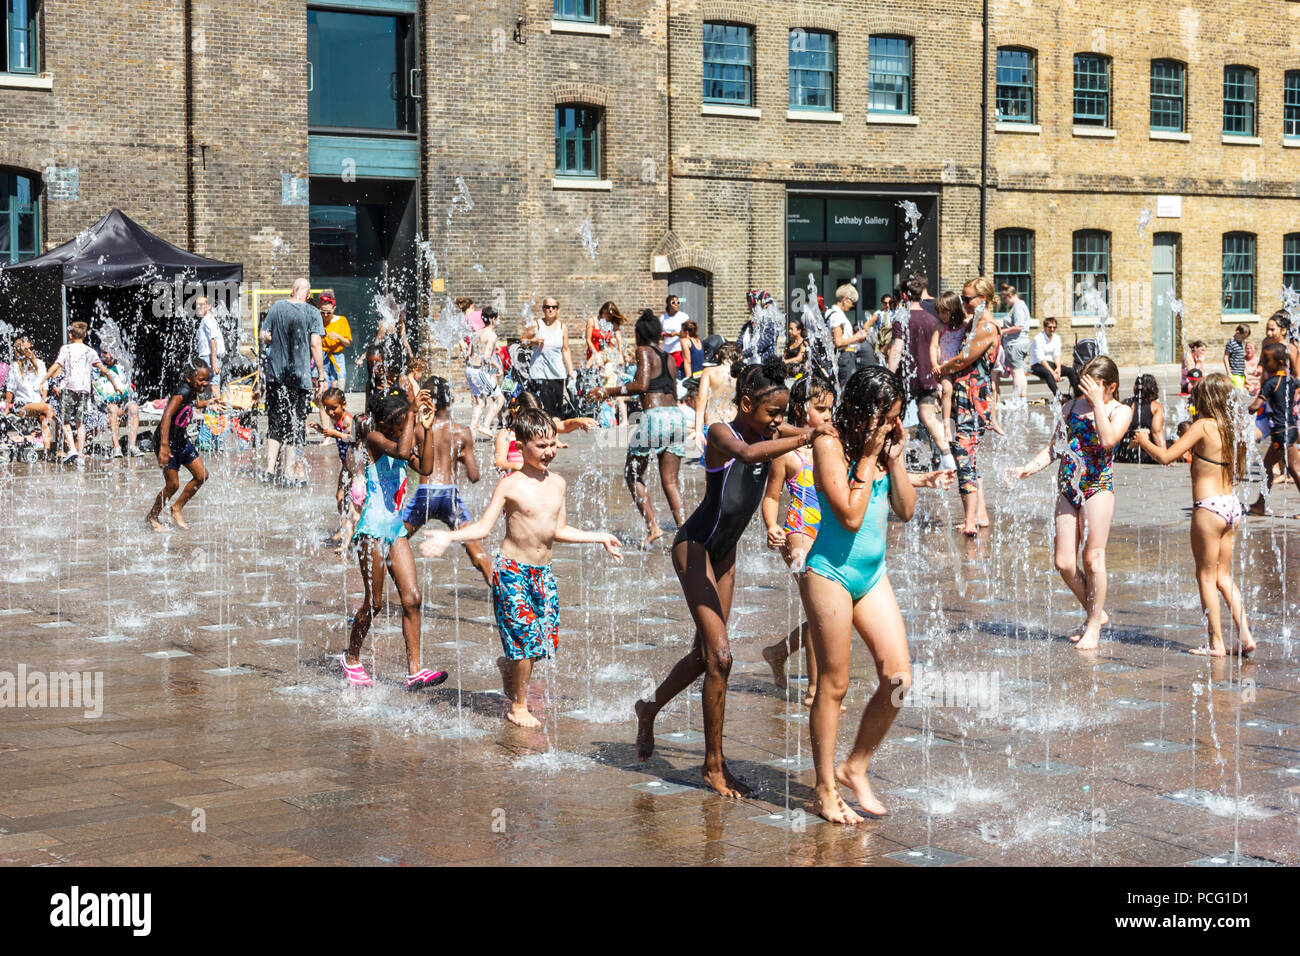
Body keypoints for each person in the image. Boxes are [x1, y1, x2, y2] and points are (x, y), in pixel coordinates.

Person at [633, 359, 830, 798]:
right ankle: (713, 766)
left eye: (783, 413)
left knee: (706, 656)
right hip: (695, 547)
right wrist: (805, 436)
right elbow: (747, 454)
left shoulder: (771, 433)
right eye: (772, 413)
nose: (779, 421)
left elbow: (794, 439)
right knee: (722, 656)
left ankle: (648, 708)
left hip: (725, 556)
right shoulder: (724, 433)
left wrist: (823, 434)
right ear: (745, 403)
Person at [800, 366, 951, 823]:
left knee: (900, 679)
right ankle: (827, 788)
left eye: (898, 416)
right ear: (866, 412)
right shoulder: (829, 445)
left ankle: (856, 765)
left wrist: (896, 458)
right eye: (888, 416)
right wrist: (866, 459)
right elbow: (847, 515)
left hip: (871, 574)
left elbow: (904, 510)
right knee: (835, 683)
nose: (893, 424)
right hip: (828, 573)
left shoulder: (885, 448)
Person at [420, 407, 622, 727]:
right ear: (522, 445)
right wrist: (450, 537)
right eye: (541, 446)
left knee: (544, 645)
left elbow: (559, 530)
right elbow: (484, 528)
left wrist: (600, 538)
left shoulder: (557, 483)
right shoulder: (510, 485)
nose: (549, 452)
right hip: (512, 571)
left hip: (543, 573)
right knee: (527, 639)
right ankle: (519, 706)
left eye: (552, 444)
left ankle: (508, 665)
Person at [1012, 355, 1132, 650]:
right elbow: (1055, 448)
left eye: (1095, 386)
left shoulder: (1120, 411)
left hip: (1097, 488)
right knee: (1064, 562)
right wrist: (1028, 467)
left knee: (1093, 559)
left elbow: (1107, 441)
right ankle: (1096, 611)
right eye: (1085, 385)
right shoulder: (1070, 408)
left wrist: (1099, 405)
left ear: (1111, 387)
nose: (1087, 391)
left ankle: (1093, 625)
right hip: (1068, 487)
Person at [1131, 373, 1255, 657]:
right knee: (1224, 577)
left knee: (1206, 577)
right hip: (1231, 506)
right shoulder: (1233, 426)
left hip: (1209, 508)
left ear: (1207, 398)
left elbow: (1166, 457)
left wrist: (1144, 439)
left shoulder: (1203, 426)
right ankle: (1245, 635)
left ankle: (1216, 644)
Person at [344, 387, 448, 690]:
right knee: (374, 603)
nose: (409, 430)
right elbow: (403, 452)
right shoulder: (375, 440)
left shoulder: (399, 440)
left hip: (395, 531)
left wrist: (427, 432)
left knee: (412, 599)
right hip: (372, 531)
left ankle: (415, 670)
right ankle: (351, 657)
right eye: (404, 425)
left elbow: (425, 467)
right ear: (388, 425)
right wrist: (413, 411)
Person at [761, 374, 835, 707]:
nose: (829, 416)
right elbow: (772, 496)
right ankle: (815, 692)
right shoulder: (788, 452)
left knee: (829, 613)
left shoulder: (832, 444)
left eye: (831, 409)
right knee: (819, 612)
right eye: (821, 409)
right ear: (802, 410)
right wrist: (770, 524)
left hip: (827, 531)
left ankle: (778, 652)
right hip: (798, 532)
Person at [587, 310, 689, 547]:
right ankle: (686, 533)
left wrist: (607, 392)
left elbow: (642, 385)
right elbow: (673, 392)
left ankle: (654, 528)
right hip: (676, 417)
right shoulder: (670, 358)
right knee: (671, 481)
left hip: (655, 418)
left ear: (639, 336)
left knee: (632, 474)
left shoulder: (644, 351)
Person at [402, 375, 493, 586]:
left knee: (395, 542)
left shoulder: (420, 428)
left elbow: (405, 454)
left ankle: (375, 591)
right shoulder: (462, 432)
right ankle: (500, 591)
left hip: (425, 493)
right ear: (450, 400)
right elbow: (474, 476)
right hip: (449, 494)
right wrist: (459, 456)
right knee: (476, 549)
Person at [933, 278, 1001, 535]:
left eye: (967, 298)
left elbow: (963, 360)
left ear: (982, 299)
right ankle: (978, 516)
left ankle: (971, 521)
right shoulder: (975, 323)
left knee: (963, 456)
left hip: (974, 399)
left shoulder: (986, 327)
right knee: (968, 457)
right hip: (966, 396)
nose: (962, 303)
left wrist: (941, 369)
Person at [259, 278, 325, 485]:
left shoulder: (277, 307)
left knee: (276, 422)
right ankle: (288, 473)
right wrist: (321, 375)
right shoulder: (313, 313)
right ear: (307, 294)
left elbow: (263, 335)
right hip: (300, 377)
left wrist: (272, 339)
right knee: (295, 425)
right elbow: (315, 345)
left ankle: (269, 471)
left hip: (276, 376)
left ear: (291, 290)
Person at [146, 358, 217, 531]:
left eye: (207, 379)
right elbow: (167, 415)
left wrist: (210, 402)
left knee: (202, 475)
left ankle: (177, 508)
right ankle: (152, 516)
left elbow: (194, 404)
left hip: (182, 440)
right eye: (201, 380)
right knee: (172, 485)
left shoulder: (193, 390)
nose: (205, 383)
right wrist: (163, 445)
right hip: (167, 442)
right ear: (188, 378)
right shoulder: (182, 392)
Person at [889, 272, 950, 467]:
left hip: (905, 378)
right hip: (928, 376)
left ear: (905, 296)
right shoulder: (932, 319)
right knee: (929, 417)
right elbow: (939, 351)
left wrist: (889, 375)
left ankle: (898, 462)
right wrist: (940, 377)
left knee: (897, 419)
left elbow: (897, 348)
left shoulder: (902, 317)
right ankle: (947, 457)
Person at [41, 321, 121, 463]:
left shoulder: (66, 349)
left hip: (68, 389)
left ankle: (72, 449)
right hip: (84, 391)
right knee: (81, 423)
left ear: (70, 335)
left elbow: (56, 366)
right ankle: (80, 454)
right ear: (84, 335)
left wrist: (43, 379)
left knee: (65, 421)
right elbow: (104, 370)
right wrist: (115, 385)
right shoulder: (90, 351)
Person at [1247, 342, 1300, 516]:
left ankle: (1260, 505)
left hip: (1280, 434)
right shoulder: (1290, 380)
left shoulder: (1271, 383)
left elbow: (1255, 406)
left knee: (1287, 468)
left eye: (1266, 360)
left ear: (1278, 362)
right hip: (1290, 429)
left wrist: (1242, 410)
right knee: (1272, 466)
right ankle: (1260, 504)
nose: (1263, 363)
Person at [493, 390, 594, 474]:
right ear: (515, 413)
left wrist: (579, 421)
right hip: (515, 483)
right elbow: (499, 463)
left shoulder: (541, 429)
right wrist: (520, 467)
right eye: (529, 418)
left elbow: (564, 425)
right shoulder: (506, 434)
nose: (534, 421)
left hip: (537, 479)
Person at [307, 386, 355, 548]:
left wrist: (337, 434)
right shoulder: (336, 418)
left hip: (355, 467)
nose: (330, 412)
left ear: (344, 404)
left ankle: (352, 531)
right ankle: (344, 526)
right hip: (346, 465)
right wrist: (321, 430)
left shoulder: (348, 419)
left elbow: (354, 438)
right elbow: (333, 432)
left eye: (333, 408)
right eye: (327, 409)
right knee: (340, 496)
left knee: (353, 499)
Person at [520, 296, 573, 417]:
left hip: (557, 374)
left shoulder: (562, 327)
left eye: (554, 307)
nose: (550, 310)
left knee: (556, 413)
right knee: (541, 412)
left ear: (558, 309)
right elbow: (522, 341)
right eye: (547, 307)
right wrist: (533, 341)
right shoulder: (537, 325)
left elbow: (565, 350)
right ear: (543, 309)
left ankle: (554, 435)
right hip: (539, 374)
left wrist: (570, 370)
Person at [1, 335, 55, 453]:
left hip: (38, 403)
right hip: (22, 405)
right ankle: (38, 433)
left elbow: (44, 386)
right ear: (19, 351)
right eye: (26, 350)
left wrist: (43, 400)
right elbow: (10, 389)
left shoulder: (40, 364)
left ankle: (47, 451)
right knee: (49, 409)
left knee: (44, 418)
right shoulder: (15, 367)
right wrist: (6, 408)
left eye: (31, 348)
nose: (30, 352)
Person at [930, 291, 968, 448]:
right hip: (945, 367)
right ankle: (946, 426)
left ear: (954, 310)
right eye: (939, 312)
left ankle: (962, 426)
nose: (941, 315)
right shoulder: (940, 326)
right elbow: (933, 346)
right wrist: (934, 365)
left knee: (962, 395)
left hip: (959, 366)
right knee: (947, 389)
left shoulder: (965, 325)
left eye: (944, 312)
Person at [92, 344, 141, 458]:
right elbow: (97, 394)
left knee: (133, 407)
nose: (108, 356)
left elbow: (128, 389)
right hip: (105, 407)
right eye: (105, 353)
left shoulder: (122, 368)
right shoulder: (96, 370)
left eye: (111, 352)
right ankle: (116, 447)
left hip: (122, 403)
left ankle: (132, 446)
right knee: (113, 409)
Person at [465, 306, 505, 440]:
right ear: (493, 319)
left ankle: (471, 432)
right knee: (500, 399)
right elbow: (486, 357)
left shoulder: (477, 332)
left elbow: (468, 354)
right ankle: (485, 425)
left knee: (480, 402)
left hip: (470, 369)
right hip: (479, 370)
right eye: (497, 318)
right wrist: (498, 366)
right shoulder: (492, 335)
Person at [693, 342, 741, 450]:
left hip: (712, 425)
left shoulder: (709, 372)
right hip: (734, 426)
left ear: (717, 356)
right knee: (731, 463)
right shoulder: (741, 374)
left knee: (710, 464)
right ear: (739, 357)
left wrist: (698, 430)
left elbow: (701, 399)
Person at [827, 284, 870, 389]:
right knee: (846, 391)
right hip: (845, 357)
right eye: (852, 302)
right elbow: (838, 342)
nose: (852, 306)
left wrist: (858, 339)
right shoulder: (836, 315)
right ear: (845, 299)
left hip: (844, 356)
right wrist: (856, 336)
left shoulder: (835, 314)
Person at [1116, 373, 1166, 464]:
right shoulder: (1156, 407)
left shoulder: (1125, 404)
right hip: (1147, 453)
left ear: (1135, 387)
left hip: (1124, 453)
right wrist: (1164, 456)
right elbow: (1157, 431)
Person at [998, 283, 1032, 409]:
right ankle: (1021, 399)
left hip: (1016, 344)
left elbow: (1019, 327)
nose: (1004, 301)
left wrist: (1003, 331)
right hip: (1020, 343)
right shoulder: (1020, 306)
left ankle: (1017, 399)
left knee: (1017, 372)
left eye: (1004, 298)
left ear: (1010, 295)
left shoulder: (1018, 307)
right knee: (1020, 372)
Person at [1027, 316, 1078, 399]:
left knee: (1070, 371)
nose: (1052, 329)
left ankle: (1077, 394)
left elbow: (1057, 355)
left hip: (1050, 364)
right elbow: (1041, 359)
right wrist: (1053, 373)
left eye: (1054, 327)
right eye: (1050, 327)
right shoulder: (1038, 338)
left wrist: (1058, 369)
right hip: (1037, 365)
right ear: (1044, 327)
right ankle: (1059, 397)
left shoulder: (1056, 338)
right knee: (1048, 373)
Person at [318, 291, 352, 392]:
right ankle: (322, 407)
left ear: (334, 308)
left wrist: (339, 337)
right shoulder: (318, 321)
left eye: (328, 312)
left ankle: (339, 402)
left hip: (337, 355)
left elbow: (347, 343)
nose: (325, 315)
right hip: (322, 355)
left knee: (338, 383)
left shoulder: (342, 320)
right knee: (321, 383)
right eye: (322, 312)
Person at [194, 295, 226, 398]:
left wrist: (213, 362)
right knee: (208, 384)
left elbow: (213, 340)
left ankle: (217, 409)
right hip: (209, 357)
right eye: (196, 305)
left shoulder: (207, 320)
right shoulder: (208, 320)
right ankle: (213, 408)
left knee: (210, 384)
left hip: (209, 357)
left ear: (208, 306)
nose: (198, 307)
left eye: (201, 305)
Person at [585, 301, 625, 368]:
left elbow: (619, 339)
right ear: (603, 311)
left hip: (607, 352)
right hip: (594, 351)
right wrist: (596, 354)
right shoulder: (592, 321)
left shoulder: (612, 322)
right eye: (608, 315)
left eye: (611, 316)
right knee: (589, 369)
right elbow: (588, 340)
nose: (609, 318)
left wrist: (620, 354)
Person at [660, 295, 689, 378]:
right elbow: (661, 336)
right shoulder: (663, 318)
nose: (676, 304)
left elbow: (689, 333)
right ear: (668, 304)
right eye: (673, 302)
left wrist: (676, 334)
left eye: (678, 302)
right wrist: (661, 335)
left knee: (677, 374)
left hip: (678, 349)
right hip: (666, 350)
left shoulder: (683, 316)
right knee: (667, 373)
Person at [1224, 324, 1250, 391]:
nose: (1243, 340)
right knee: (1238, 394)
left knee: (1241, 394)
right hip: (1234, 374)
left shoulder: (1240, 343)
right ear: (1237, 332)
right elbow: (1225, 357)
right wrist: (1229, 372)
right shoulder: (1231, 342)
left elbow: (1241, 358)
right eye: (1243, 337)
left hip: (1241, 374)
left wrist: (1244, 370)